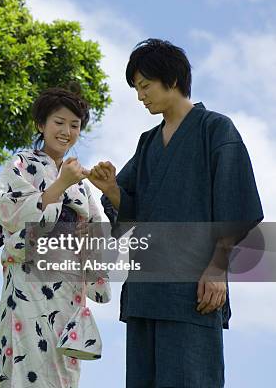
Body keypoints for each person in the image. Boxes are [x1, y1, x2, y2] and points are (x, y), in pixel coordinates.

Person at [88, 39, 263, 387]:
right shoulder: (147, 143)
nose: (140, 97)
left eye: (145, 86)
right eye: (137, 89)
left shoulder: (216, 129)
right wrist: (112, 190)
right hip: (145, 292)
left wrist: (217, 268)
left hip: (192, 293)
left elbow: (236, 204)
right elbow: (134, 212)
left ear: (172, 79)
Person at [0, 87, 111, 387]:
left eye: (75, 125)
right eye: (59, 122)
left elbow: (97, 231)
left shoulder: (82, 183)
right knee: (27, 363)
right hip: (29, 281)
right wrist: (59, 185)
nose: (67, 131)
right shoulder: (22, 164)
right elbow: (7, 212)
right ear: (41, 124)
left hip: (67, 287)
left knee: (63, 372)